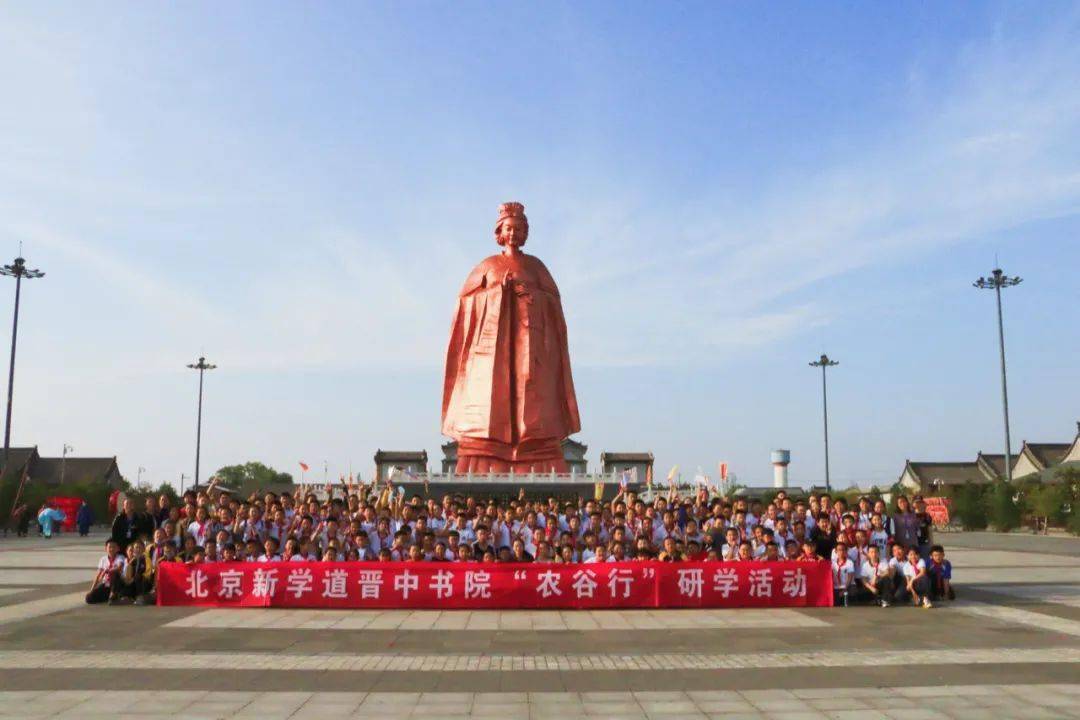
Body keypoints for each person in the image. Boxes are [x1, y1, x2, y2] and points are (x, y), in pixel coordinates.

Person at [87, 539, 126, 604]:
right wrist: (92, 589)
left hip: (117, 583)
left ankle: (113, 594)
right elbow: (98, 575)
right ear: (106, 548)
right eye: (109, 547)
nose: (111, 549)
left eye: (114, 547)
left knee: (115, 574)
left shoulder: (120, 557)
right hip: (106, 584)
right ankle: (108, 597)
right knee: (89, 598)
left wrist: (107, 571)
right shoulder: (103, 559)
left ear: (118, 549)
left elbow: (119, 568)